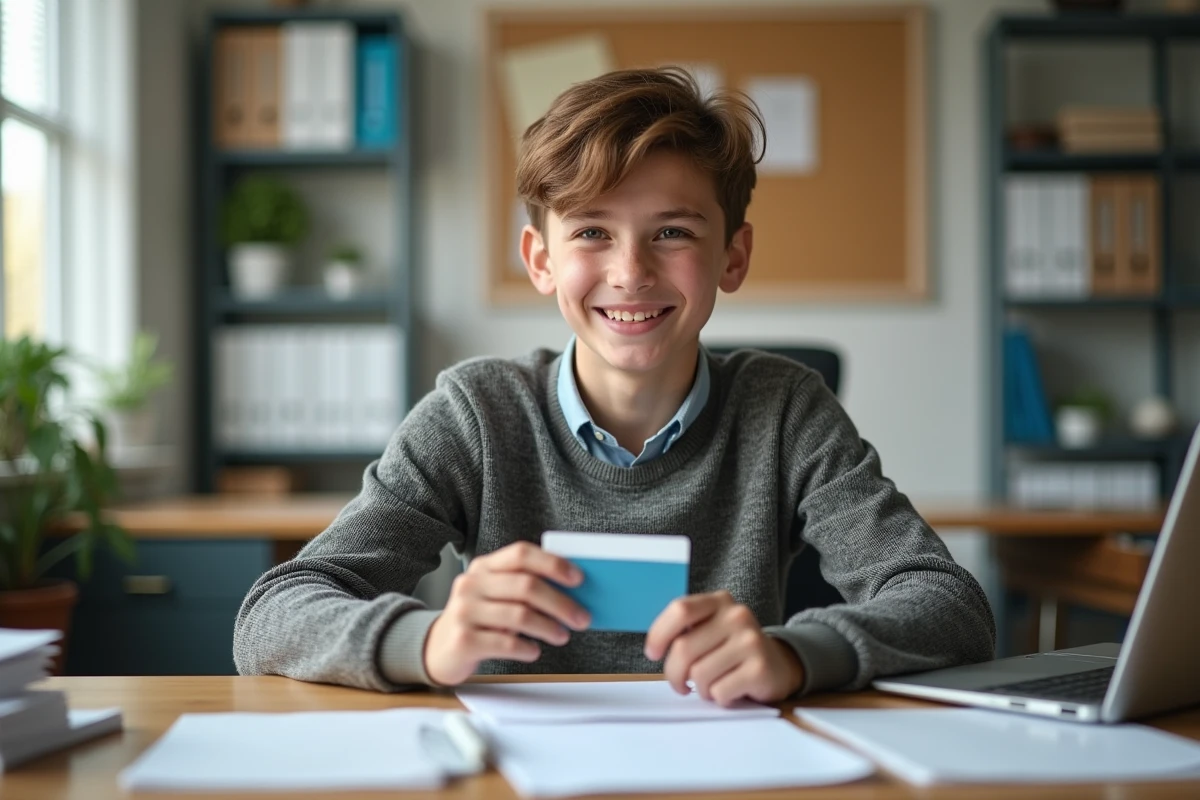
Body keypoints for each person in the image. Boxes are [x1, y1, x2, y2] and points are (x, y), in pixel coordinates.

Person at [234, 67, 994, 705]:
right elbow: (271, 615)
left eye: (673, 231)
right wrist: (427, 640)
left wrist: (798, 654)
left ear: (733, 255)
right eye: (592, 231)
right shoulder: (476, 414)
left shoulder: (785, 409)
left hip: (726, 769)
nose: (631, 271)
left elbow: (950, 606)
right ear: (540, 259)